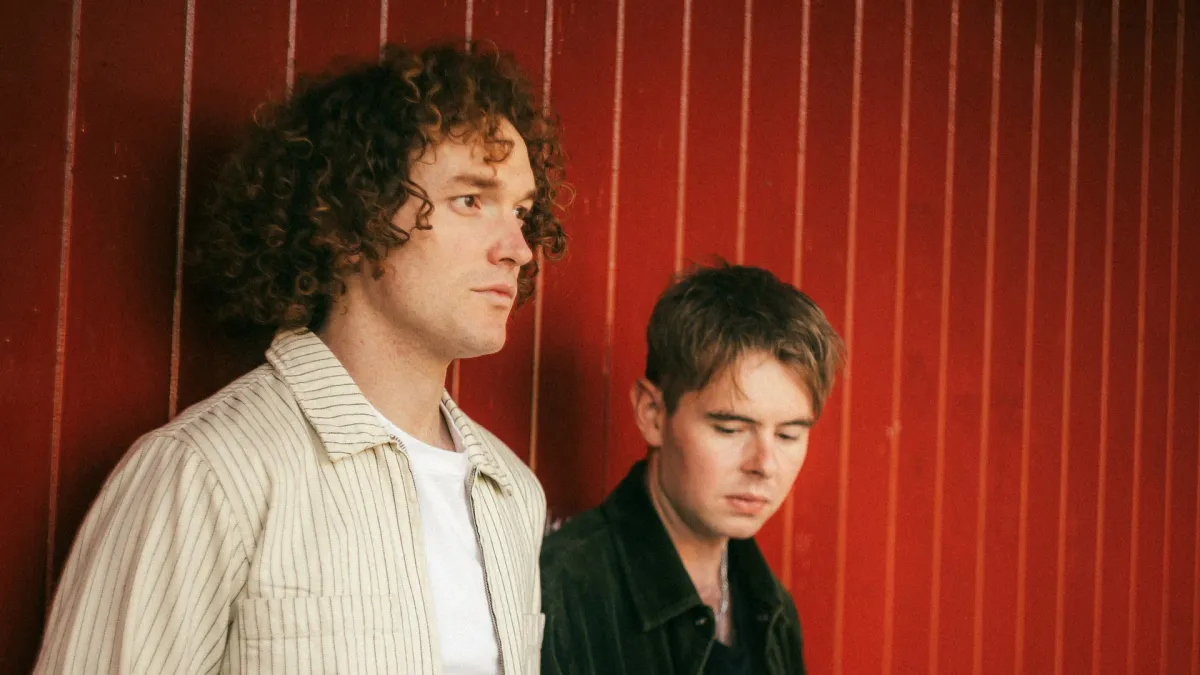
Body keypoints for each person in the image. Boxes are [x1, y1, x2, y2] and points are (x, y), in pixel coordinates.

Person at [35, 42, 565, 675]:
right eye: (471, 200)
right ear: (354, 221)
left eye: (522, 212)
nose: (518, 249)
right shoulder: (209, 472)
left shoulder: (513, 493)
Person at [540, 263, 845, 675]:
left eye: (788, 435)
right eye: (730, 429)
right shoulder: (562, 592)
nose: (764, 465)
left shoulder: (772, 609)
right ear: (652, 413)